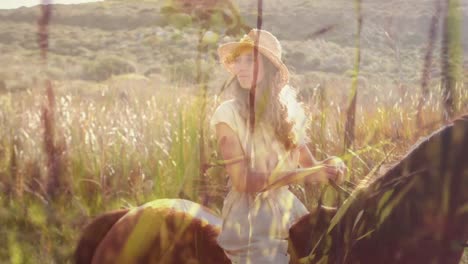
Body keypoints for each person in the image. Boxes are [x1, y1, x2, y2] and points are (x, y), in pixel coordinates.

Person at [210, 28, 346, 264]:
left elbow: (312, 166)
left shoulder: (289, 113)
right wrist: (306, 175)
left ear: (269, 67)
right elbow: (243, 181)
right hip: (249, 218)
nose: (241, 67)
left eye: (250, 60)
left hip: (287, 211)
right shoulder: (227, 114)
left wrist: (333, 167)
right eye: (238, 61)